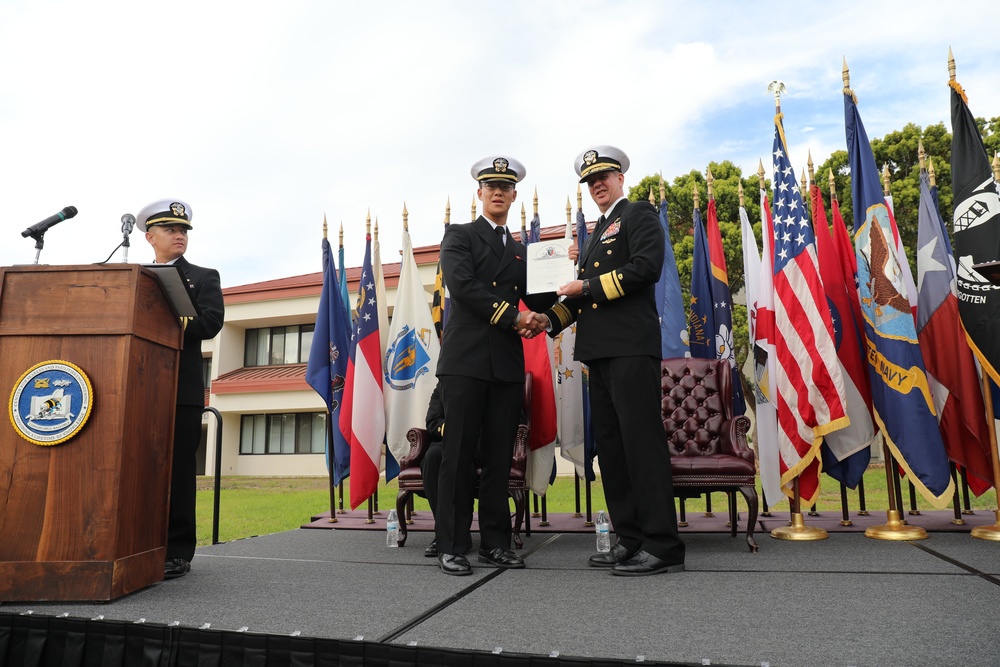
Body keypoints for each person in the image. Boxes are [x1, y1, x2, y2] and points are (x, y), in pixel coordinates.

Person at [533, 146, 685, 576]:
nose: (597, 184)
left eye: (604, 176)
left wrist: (584, 286)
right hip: (597, 355)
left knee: (641, 446)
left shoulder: (638, 215)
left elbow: (645, 269)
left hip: (632, 349)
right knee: (614, 452)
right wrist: (547, 319)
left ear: (621, 177)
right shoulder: (599, 232)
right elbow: (581, 302)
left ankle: (663, 545)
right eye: (590, 181)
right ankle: (631, 538)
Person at [434, 155, 554, 576]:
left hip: (504, 364)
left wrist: (559, 283)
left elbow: (539, 299)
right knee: (459, 455)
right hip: (465, 362)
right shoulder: (459, 236)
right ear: (480, 193)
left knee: (500, 459)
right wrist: (515, 317)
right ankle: (452, 544)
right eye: (491, 186)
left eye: (506, 187)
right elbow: (463, 287)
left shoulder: (522, 252)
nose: (498, 192)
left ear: (515, 195)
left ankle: (495, 544)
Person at [138, 199, 225, 580]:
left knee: (176, 471)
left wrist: (167, 316)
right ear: (149, 236)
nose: (179, 235)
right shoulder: (134, 278)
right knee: (137, 468)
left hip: (180, 391)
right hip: (139, 388)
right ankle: (135, 543)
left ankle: (176, 551)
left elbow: (209, 323)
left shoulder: (203, 277)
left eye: (184, 230)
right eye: (171, 230)